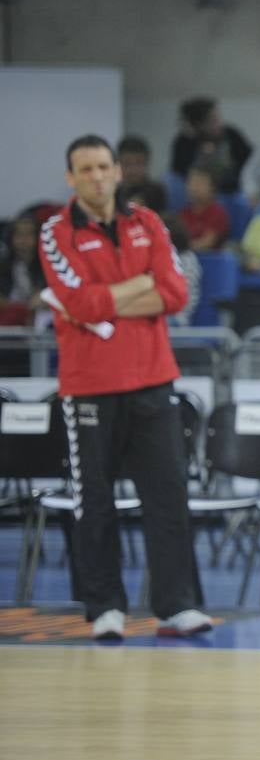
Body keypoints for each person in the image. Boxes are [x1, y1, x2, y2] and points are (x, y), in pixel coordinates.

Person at [38, 135, 214, 641]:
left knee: (169, 496)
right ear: (71, 178)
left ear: (118, 172)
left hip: (154, 380)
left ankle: (177, 606)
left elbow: (176, 294)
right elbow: (78, 303)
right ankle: (104, 607)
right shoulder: (55, 232)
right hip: (90, 386)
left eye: (102, 167)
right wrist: (141, 285)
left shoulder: (149, 223)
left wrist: (109, 297)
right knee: (93, 500)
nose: (95, 176)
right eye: (84, 169)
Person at [170, 96, 252, 194]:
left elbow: (250, 161)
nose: (219, 123)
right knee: (171, 179)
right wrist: (193, 141)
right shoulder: (184, 142)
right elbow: (179, 170)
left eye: (218, 117)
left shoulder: (231, 134)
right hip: (198, 191)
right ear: (199, 125)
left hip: (231, 190)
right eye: (212, 120)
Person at [0, 214, 45, 326]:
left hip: (39, 317)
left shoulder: (48, 264)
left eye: (29, 234)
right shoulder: (3, 264)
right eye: (18, 234)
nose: (23, 240)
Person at [177, 166, 230, 253]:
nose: (194, 187)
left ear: (212, 187)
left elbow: (207, 243)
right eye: (191, 182)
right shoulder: (184, 213)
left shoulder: (218, 212)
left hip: (210, 261)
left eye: (199, 183)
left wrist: (183, 248)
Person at [116, 136, 167, 212]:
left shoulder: (156, 192)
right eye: (127, 164)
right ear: (118, 164)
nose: (133, 170)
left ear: (148, 163)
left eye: (139, 163)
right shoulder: (114, 192)